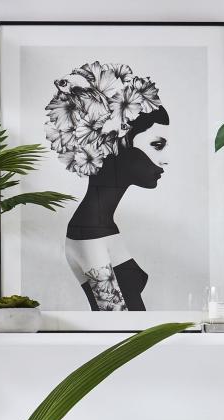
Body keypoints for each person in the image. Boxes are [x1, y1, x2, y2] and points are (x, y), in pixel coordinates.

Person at [45, 62, 170, 311]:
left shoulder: (99, 225)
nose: (166, 159)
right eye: (157, 145)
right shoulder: (89, 234)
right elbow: (114, 320)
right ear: (116, 143)